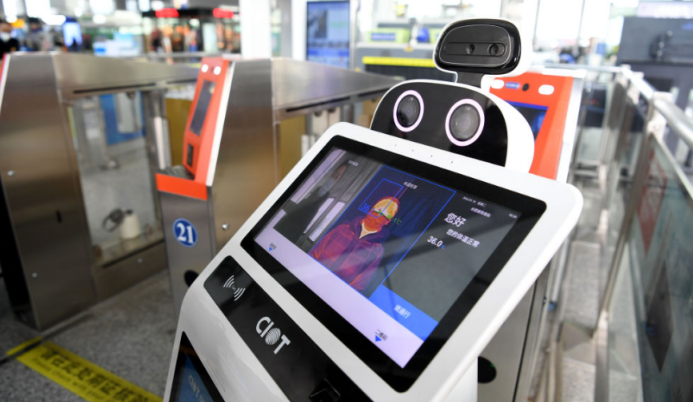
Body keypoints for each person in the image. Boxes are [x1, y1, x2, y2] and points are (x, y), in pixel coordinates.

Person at [310, 196, 400, 292]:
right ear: (370, 209)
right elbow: (313, 254)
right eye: (378, 210)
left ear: (388, 221)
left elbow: (360, 285)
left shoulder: (377, 251)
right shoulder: (341, 229)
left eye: (385, 214)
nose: (378, 215)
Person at [275, 162, 349, 243]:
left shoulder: (324, 195)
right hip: (289, 223)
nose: (336, 177)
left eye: (339, 175)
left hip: (296, 226)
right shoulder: (316, 186)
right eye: (336, 173)